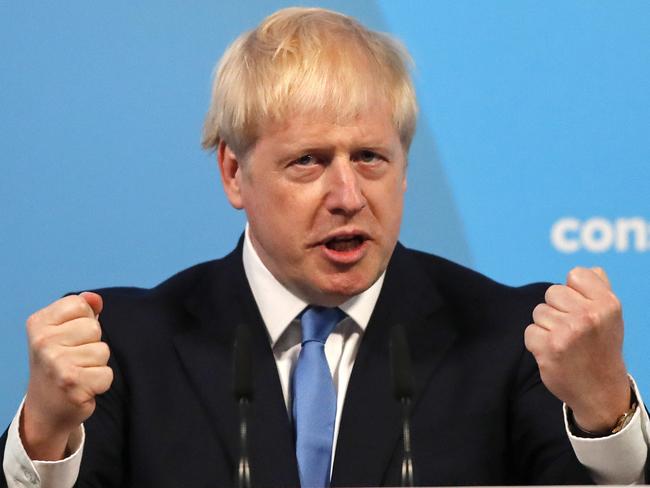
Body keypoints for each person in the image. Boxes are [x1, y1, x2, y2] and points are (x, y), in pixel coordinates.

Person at [2, 7, 648, 488]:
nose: (347, 195)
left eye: (370, 157)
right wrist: (45, 434)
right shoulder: (121, 346)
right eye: (309, 162)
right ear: (233, 172)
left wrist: (603, 416)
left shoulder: (512, 338)